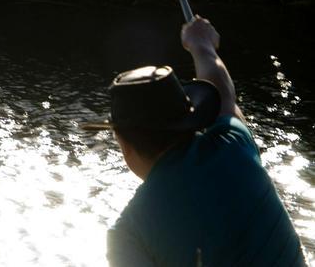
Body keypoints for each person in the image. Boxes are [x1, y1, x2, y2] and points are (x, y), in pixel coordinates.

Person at [82, 15, 306, 266]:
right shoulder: (233, 144)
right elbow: (223, 93)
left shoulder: (128, 233)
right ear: (191, 119)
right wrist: (201, 44)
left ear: (124, 145)